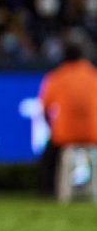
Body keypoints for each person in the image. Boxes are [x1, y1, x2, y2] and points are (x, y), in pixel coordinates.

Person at [38, 35, 97, 200]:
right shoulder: (93, 75)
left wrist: (52, 129)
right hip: (93, 135)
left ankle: (49, 192)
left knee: (48, 160)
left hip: (66, 136)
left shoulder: (56, 77)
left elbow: (44, 110)